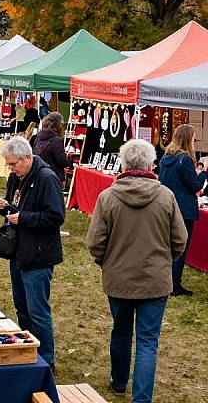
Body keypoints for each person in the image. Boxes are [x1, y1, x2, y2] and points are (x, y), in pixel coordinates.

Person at [87, 139, 187, 401]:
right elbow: (180, 240)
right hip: (153, 280)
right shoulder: (165, 196)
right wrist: (164, 262)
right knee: (146, 342)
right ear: (150, 163)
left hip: (121, 279)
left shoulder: (108, 197)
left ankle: (120, 382)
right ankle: (136, 395)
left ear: (123, 163)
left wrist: (109, 263)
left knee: (122, 331)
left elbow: (95, 242)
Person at [0, 136, 64, 372]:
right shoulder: (17, 177)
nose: (10, 169)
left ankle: (47, 360)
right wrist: (4, 208)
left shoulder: (46, 178)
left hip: (38, 255)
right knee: (21, 307)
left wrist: (24, 218)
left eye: (13, 164)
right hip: (18, 252)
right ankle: (27, 348)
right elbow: (16, 207)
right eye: (9, 165)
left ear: (26, 158)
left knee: (38, 311)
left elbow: (55, 217)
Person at [159, 124, 207, 296]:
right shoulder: (184, 159)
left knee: (167, 245)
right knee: (180, 246)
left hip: (167, 205)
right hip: (183, 208)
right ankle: (174, 284)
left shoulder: (167, 157)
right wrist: (204, 172)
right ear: (188, 139)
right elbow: (195, 185)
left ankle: (164, 280)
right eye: (193, 138)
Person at [33, 112, 69, 184]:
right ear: (58, 125)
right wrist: (70, 159)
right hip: (53, 177)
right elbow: (62, 161)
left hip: (38, 175)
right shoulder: (56, 141)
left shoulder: (37, 138)